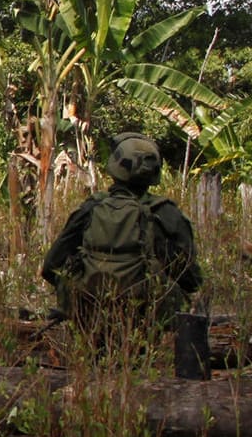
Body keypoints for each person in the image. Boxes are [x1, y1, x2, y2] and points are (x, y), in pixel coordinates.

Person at [40, 132, 202, 348]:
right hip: (145, 331)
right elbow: (190, 279)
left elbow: (51, 266)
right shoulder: (166, 214)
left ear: (115, 167)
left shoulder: (91, 209)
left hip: (89, 325)